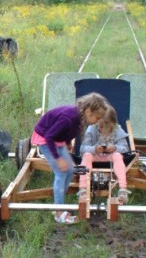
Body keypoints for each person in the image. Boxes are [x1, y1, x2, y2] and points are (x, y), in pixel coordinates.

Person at [32, 92, 109, 224]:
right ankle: (59, 213)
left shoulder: (80, 118)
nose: (98, 121)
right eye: (97, 118)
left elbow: (69, 131)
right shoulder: (68, 118)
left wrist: (67, 143)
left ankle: (59, 203)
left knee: (70, 170)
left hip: (58, 140)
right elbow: (49, 136)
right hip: (45, 139)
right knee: (61, 172)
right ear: (89, 111)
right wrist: (58, 158)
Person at [78, 106, 131, 204]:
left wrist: (115, 148)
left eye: (102, 127)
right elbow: (83, 148)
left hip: (110, 157)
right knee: (86, 156)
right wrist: (94, 149)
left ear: (111, 125)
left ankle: (123, 189)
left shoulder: (117, 130)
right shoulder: (92, 128)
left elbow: (125, 148)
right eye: (99, 125)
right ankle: (83, 189)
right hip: (95, 156)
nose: (100, 128)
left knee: (118, 156)